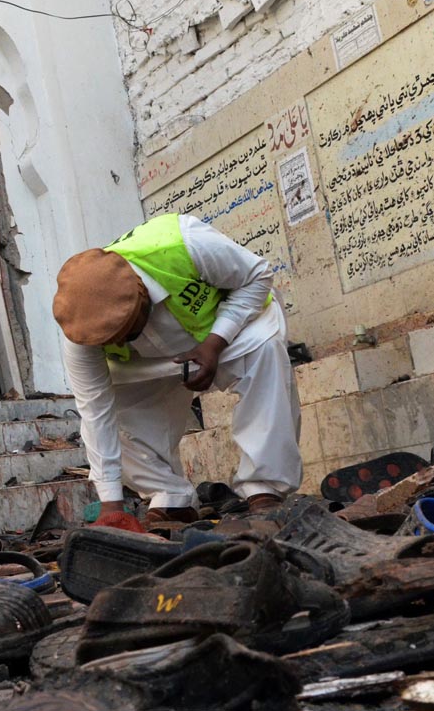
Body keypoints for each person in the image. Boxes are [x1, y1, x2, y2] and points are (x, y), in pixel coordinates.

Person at [51, 213, 303, 532]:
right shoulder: (81, 333)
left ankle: (264, 489)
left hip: (230, 332)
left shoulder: (186, 245)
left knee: (265, 352)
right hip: (146, 365)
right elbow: (95, 412)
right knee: (111, 416)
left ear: (143, 297)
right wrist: (111, 506)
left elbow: (257, 276)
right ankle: (169, 495)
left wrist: (215, 343)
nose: (117, 341)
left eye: (127, 332)